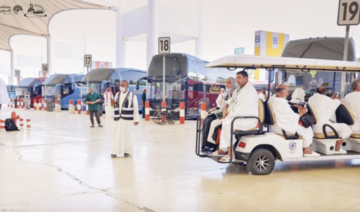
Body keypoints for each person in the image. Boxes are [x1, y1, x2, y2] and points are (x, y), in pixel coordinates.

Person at [212, 71, 259, 163]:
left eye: (239, 78)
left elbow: (243, 109)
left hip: (247, 118)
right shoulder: (239, 89)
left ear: (246, 78)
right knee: (225, 122)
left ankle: (230, 154)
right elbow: (232, 101)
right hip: (239, 116)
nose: (237, 80)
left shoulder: (249, 91)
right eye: (236, 78)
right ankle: (223, 149)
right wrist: (226, 108)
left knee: (228, 124)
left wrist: (230, 116)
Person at [269, 85, 319, 157]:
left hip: (275, 126)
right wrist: (301, 113)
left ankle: (303, 148)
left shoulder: (272, 99)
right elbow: (291, 117)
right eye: (287, 92)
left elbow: (284, 109)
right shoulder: (282, 102)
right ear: (282, 93)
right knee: (307, 129)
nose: (288, 94)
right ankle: (307, 150)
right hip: (283, 127)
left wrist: (292, 106)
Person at [308, 87, 352, 154]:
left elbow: (324, 103)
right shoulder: (327, 100)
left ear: (315, 92)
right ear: (325, 93)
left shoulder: (311, 99)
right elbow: (338, 102)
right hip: (323, 128)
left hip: (312, 127)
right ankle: (336, 149)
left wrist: (331, 99)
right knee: (346, 128)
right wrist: (336, 99)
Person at [111, 80, 139, 158]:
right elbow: (113, 105)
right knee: (116, 135)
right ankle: (114, 151)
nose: (121, 87)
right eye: (121, 85)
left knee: (128, 136)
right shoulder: (117, 94)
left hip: (128, 119)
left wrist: (136, 119)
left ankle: (127, 152)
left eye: (123, 86)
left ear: (127, 86)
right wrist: (112, 103)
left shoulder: (132, 96)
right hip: (118, 119)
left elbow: (135, 107)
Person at [206, 77, 237, 146]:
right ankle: (209, 143)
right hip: (223, 112)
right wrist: (215, 108)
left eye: (229, 82)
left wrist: (225, 109)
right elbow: (222, 105)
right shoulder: (227, 92)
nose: (227, 84)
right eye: (226, 82)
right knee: (208, 119)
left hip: (229, 115)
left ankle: (212, 144)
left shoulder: (234, 93)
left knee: (212, 122)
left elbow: (230, 104)